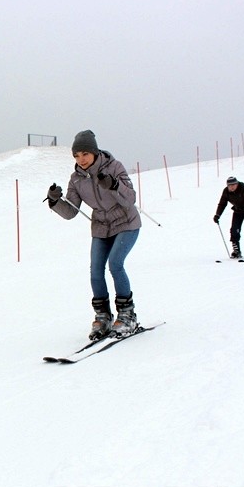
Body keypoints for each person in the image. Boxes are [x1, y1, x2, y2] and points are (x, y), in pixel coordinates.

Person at [45, 130, 142, 339]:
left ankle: (127, 315)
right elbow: (70, 212)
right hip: (101, 227)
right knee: (95, 271)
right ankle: (103, 317)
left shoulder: (114, 167)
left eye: (85, 154)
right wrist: (54, 201)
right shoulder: (76, 179)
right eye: (76, 156)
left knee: (115, 264)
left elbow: (130, 198)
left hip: (127, 222)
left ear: (94, 152)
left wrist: (114, 185)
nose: (81, 160)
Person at [213, 176, 244, 259]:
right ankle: (236, 250)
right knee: (234, 229)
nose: (232, 187)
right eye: (230, 185)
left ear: (237, 184)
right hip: (238, 211)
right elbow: (222, 204)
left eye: (234, 184)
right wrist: (217, 215)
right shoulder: (226, 191)